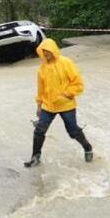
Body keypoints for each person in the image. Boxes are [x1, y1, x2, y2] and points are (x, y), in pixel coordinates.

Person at [23, 39, 93, 167]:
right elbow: (41, 89)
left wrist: (66, 94)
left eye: (48, 51)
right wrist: (39, 105)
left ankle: (87, 147)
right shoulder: (42, 69)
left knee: (73, 131)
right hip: (48, 106)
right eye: (43, 52)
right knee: (39, 130)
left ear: (54, 50)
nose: (46, 54)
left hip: (66, 104)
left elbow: (78, 83)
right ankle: (35, 157)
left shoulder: (66, 63)